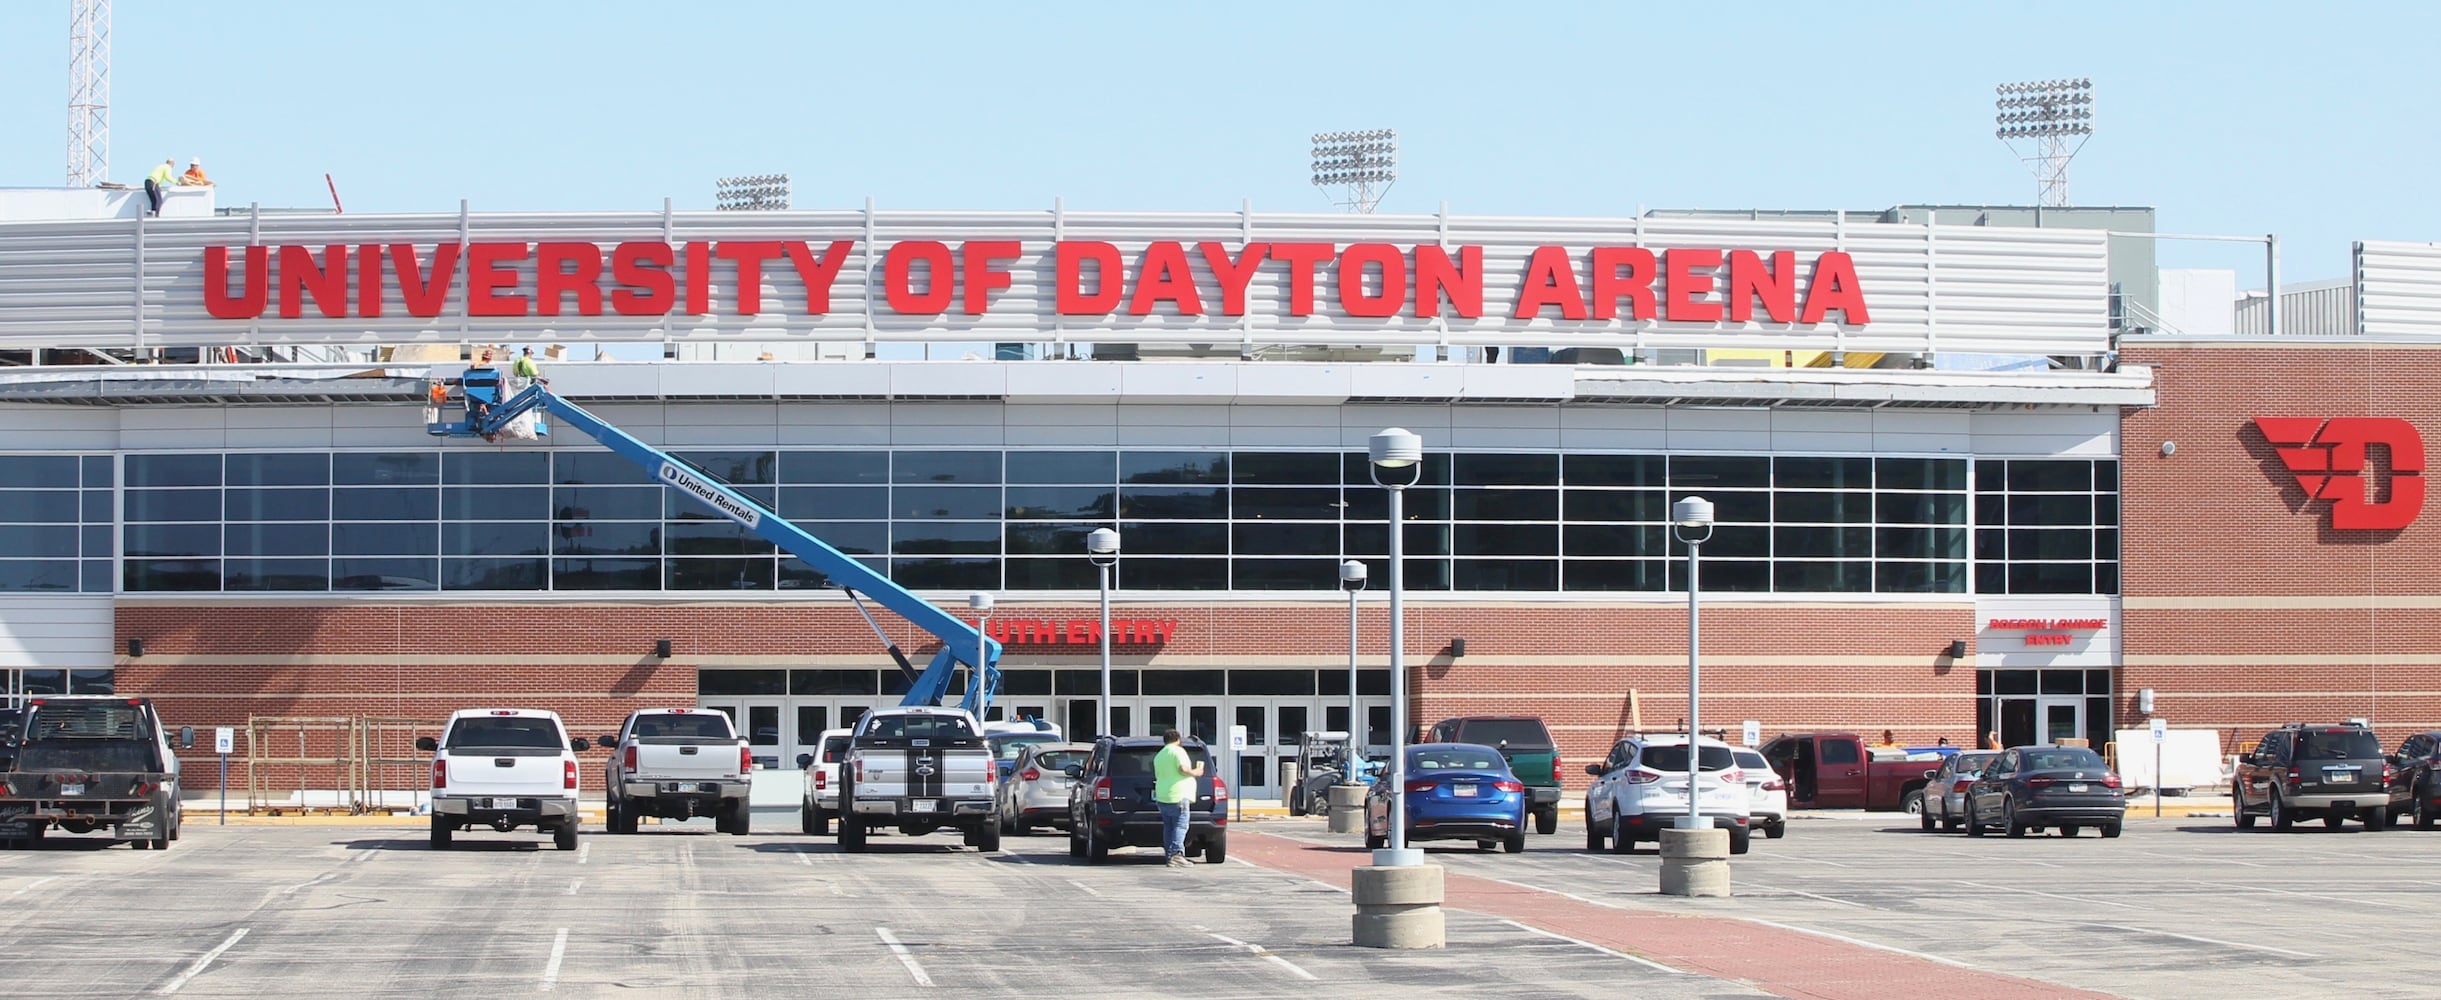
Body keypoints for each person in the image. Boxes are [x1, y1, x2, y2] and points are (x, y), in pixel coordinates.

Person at [1152, 728, 1205, 868]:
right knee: (1180, 826)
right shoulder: (1178, 751)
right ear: (1178, 740)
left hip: (1163, 796)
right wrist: (1196, 772)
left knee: (1169, 827)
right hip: (1178, 795)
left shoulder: (1160, 755)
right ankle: (1177, 854)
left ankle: (1170, 856)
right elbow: (1183, 769)